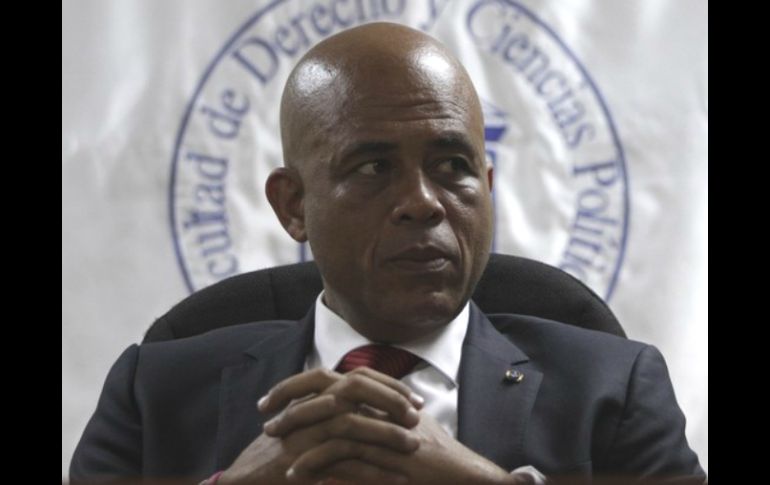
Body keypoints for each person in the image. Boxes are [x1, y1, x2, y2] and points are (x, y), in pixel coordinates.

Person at [70, 23, 705, 484]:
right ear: (293, 205)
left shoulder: (613, 389)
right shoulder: (154, 393)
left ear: (486, 188)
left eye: (452, 167)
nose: (423, 203)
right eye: (373, 167)